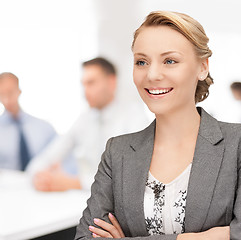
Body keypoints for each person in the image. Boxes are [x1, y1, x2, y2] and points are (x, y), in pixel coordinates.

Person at [74, 11, 240, 240]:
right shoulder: (117, 152)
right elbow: (85, 237)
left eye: (170, 61)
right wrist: (201, 237)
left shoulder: (237, 144)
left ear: (202, 67)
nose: (152, 74)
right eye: (141, 62)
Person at [27, 57, 150, 191]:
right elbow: (48, 156)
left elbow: (131, 176)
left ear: (111, 82)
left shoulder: (134, 117)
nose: (85, 91)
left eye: (91, 83)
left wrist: (74, 183)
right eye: (83, 84)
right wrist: (39, 176)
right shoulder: (84, 119)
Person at [0, 72, 56, 171]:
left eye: (10, 92)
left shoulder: (44, 128)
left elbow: (61, 157)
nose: (7, 100)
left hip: (41, 183)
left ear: (19, 91)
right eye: (2, 94)